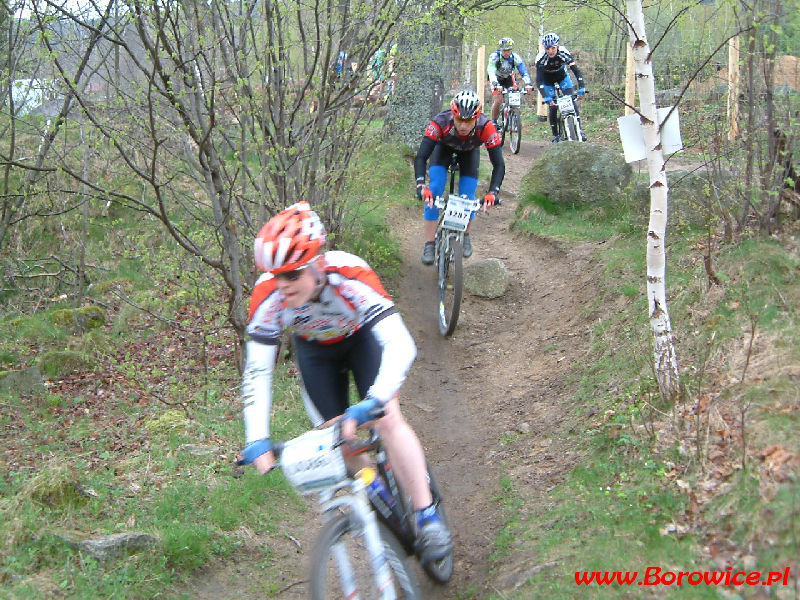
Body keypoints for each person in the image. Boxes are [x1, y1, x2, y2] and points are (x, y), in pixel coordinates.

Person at [238, 202, 452, 564]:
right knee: (341, 439)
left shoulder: (350, 275)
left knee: (386, 419)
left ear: (318, 264)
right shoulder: (268, 298)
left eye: (292, 275)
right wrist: (256, 438)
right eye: (276, 276)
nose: (283, 285)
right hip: (315, 352)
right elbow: (258, 371)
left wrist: (375, 401)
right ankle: (375, 491)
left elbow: (401, 344)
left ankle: (426, 513)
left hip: (361, 339)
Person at [414, 89, 504, 265]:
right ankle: (430, 243)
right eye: (459, 120)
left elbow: (499, 164)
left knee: (468, 195)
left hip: (469, 153)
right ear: (452, 115)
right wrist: (420, 185)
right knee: (435, 190)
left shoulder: (486, 127)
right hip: (443, 149)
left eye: (469, 121)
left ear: (476, 118)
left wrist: (493, 192)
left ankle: (466, 233)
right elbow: (422, 156)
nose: (463, 126)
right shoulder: (440, 122)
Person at [534, 32, 587, 143]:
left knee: (571, 101)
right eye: (547, 48)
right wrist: (546, 97)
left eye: (553, 48)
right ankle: (556, 135)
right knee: (553, 106)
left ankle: (580, 129)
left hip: (562, 77)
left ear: (557, 46)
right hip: (547, 80)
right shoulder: (540, 58)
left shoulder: (564, 52)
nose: (550, 51)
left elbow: (576, 71)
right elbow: (538, 81)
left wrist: (581, 87)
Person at [487, 37, 534, 127]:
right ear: (500, 49)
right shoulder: (494, 56)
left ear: (511, 50)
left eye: (508, 50)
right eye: (504, 51)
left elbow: (523, 71)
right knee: (498, 100)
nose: (506, 53)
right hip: (496, 78)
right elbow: (491, 71)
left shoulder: (515, 57)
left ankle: (514, 116)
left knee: (515, 95)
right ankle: (494, 122)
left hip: (509, 78)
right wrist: (495, 83)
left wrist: (528, 84)